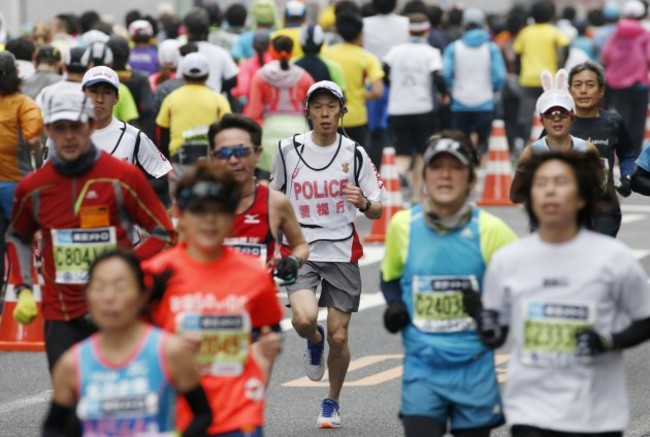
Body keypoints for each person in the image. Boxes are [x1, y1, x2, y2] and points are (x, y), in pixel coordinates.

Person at [473, 151, 650, 437]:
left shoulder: (614, 259)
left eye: (561, 182)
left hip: (596, 415)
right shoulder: (508, 261)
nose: (550, 191)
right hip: (530, 411)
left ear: (581, 198)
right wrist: (482, 320)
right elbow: (497, 331)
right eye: (541, 183)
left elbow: (645, 320)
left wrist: (608, 340)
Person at [6, 90, 175, 372]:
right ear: (48, 130)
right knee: (69, 399)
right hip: (61, 312)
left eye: (76, 126)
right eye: (60, 128)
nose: (69, 135)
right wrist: (23, 289)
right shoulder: (34, 186)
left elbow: (164, 233)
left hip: (116, 306)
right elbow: (18, 236)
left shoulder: (123, 176)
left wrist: (126, 264)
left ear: (91, 126)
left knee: (113, 398)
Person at [381, 130, 517, 437]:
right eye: (436, 167)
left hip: (474, 370)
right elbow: (389, 277)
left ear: (471, 179)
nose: (445, 175)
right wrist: (395, 305)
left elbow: (523, 293)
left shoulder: (492, 231)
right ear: (424, 177)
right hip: (422, 369)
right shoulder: (403, 226)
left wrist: (490, 318)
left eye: (456, 167)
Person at [271, 80, 385, 428]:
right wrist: (271, 241)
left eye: (331, 107)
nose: (324, 114)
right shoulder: (287, 149)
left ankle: (331, 402)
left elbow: (378, 208)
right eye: (318, 107)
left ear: (341, 112)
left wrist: (363, 203)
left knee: (341, 335)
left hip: (340, 250)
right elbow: (274, 196)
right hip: (301, 248)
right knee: (304, 321)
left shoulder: (354, 153)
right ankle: (313, 341)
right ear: (307, 111)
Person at [145, 162, 283, 436]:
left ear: (232, 216)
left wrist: (263, 360)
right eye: (199, 211)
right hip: (175, 415)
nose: (210, 220)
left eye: (218, 211)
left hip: (238, 414)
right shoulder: (156, 273)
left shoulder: (253, 274)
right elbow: (130, 342)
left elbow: (269, 333)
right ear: (181, 215)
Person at [43, 249, 212, 437]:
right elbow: (52, 428)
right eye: (99, 287)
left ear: (142, 295)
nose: (109, 297)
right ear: (88, 296)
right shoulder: (72, 363)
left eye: (120, 287)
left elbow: (203, 415)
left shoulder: (169, 351)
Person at [208, 113, 309, 382]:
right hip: (209, 318)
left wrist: (293, 262)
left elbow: (300, 245)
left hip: (258, 320)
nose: (233, 160)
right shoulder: (198, 204)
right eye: (224, 153)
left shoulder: (275, 203)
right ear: (212, 158)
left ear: (257, 153)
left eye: (241, 151)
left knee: (250, 398)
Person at [81, 66, 172, 207]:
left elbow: (161, 179)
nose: (99, 99)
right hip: (75, 225)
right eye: (93, 92)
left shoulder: (134, 136)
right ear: (83, 94)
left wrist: (128, 191)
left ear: (116, 98)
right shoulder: (64, 136)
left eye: (107, 92)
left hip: (122, 225)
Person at [565, 61, 636, 237]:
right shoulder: (559, 123)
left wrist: (627, 175)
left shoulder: (613, 122)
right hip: (567, 208)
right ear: (569, 90)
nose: (583, 91)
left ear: (601, 90)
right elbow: (539, 159)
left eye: (590, 85)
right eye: (577, 85)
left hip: (605, 208)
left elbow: (627, 153)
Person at [510, 69, 599, 205]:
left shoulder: (588, 149)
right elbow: (515, 196)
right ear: (541, 120)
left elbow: (601, 192)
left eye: (563, 113)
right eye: (549, 114)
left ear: (572, 117)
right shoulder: (530, 153)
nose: (556, 119)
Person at [384, 12, 445, 203]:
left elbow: (383, 70)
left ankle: (396, 180)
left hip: (397, 108)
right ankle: (416, 195)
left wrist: (393, 86)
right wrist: (445, 94)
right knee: (421, 153)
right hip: (421, 108)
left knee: (402, 152)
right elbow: (437, 77)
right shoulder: (431, 52)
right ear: (427, 31)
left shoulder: (395, 51)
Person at [156, 52, 231, 190]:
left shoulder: (171, 98)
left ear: (183, 75)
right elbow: (227, 130)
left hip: (179, 160)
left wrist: (167, 160)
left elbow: (162, 132)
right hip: (211, 160)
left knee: (180, 204)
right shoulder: (218, 99)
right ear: (208, 75)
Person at [0, 51, 43, 289]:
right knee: (21, 241)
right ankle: (24, 292)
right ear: (15, 74)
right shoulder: (25, 104)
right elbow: (34, 141)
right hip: (17, 186)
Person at [247, 35, 314, 178]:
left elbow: (254, 112)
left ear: (271, 51)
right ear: (291, 52)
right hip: (299, 129)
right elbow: (313, 107)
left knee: (270, 178)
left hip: (270, 130)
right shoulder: (304, 76)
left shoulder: (260, 76)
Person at [443, 8, 506, 159]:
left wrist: (452, 87)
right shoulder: (491, 48)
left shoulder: (454, 47)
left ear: (464, 25)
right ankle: (479, 168)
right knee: (483, 142)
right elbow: (500, 76)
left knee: (461, 141)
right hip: (485, 102)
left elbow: (445, 74)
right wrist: (494, 89)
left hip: (459, 101)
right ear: (483, 24)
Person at [322, 12, 384, 164]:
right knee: (355, 163)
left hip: (329, 116)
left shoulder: (326, 54)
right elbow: (378, 91)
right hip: (357, 117)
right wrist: (360, 94)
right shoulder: (367, 57)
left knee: (329, 161)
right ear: (359, 34)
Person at [513, 0, 570, 142]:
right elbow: (566, 47)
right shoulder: (554, 32)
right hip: (549, 81)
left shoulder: (525, 32)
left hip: (528, 79)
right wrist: (560, 66)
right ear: (551, 15)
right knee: (550, 112)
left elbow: (517, 54)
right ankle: (549, 140)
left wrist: (520, 71)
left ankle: (528, 140)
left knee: (527, 114)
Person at [601, 0, 650, 153]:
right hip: (639, 84)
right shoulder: (645, 34)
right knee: (638, 121)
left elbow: (606, 55)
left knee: (623, 119)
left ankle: (623, 152)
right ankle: (634, 153)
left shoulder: (616, 33)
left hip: (617, 85)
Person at [182, 7, 239, 92]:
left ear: (187, 30)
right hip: (214, 101)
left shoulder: (180, 52)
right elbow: (233, 80)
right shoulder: (221, 52)